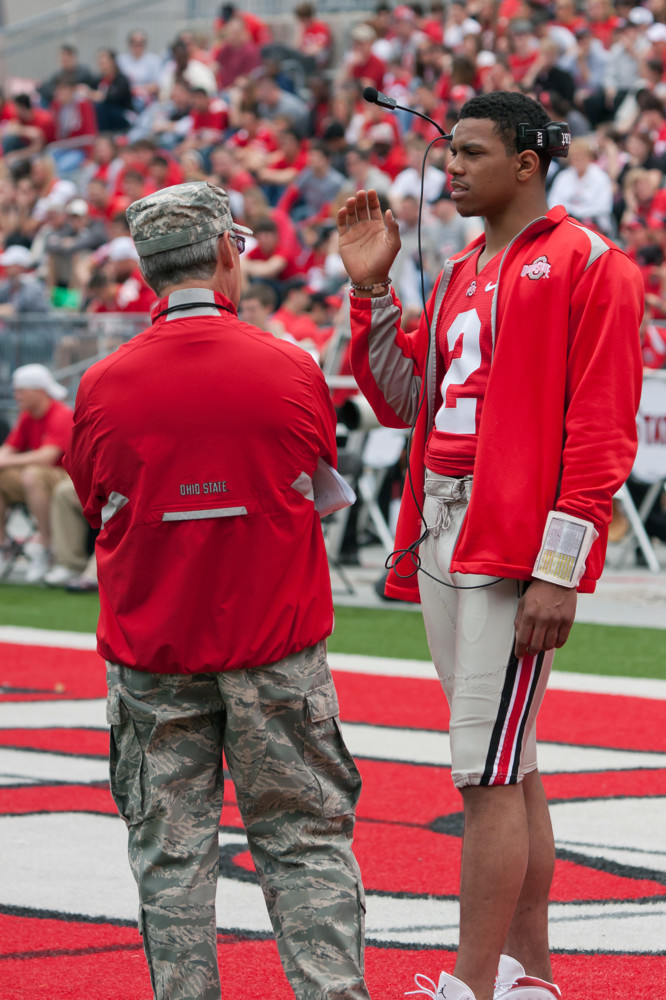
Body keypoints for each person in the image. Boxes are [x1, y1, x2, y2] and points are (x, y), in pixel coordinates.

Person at [336, 91, 643, 1000]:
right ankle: (529, 977)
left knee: (483, 772)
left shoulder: (592, 263)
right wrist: (371, 292)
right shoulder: (466, 264)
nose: (451, 167)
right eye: (452, 152)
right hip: (443, 522)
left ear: (529, 162)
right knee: (511, 761)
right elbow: (406, 401)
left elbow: (600, 429)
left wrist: (559, 566)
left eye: (471, 151)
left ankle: (471, 985)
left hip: (509, 540)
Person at [64, 180, 370, 1000]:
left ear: (146, 269)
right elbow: (318, 479)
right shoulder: (291, 367)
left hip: (154, 654)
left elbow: (95, 504)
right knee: (305, 842)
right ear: (230, 251)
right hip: (276, 649)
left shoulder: (101, 384)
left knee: (172, 853)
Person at [0, 364, 73, 582]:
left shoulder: (61, 414)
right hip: (37, 481)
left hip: (66, 481)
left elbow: (47, 457)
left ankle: (45, 544)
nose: (16, 396)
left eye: (21, 390)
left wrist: (6, 461)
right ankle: (3, 545)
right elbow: (8, 449)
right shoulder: (27, 416)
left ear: (39, 391)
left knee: (32, 474)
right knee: (25, 475)